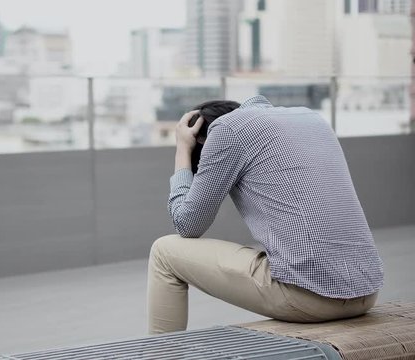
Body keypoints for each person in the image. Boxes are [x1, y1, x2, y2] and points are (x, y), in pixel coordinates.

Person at [147, 95, 384, 334]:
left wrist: (182, 152)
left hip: (313, 297)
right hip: (367, 291)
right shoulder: (310, 118)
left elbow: (187, 224)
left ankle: (162, 355)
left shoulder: (227, 130)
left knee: (163, 251)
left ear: (201, 138)